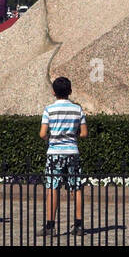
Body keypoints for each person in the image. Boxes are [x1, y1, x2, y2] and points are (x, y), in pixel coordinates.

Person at [38, 76, 88, 237]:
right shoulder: (77, 109)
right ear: (70, 91)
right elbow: (84, 133)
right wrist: (72, 136)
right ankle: (79, 225)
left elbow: (42, 133)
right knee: (76, 187)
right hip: (72, 151)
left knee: (52, 187)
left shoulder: (49, 110)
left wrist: (51, 139)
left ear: (53, 92)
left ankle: (50, 226)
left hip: (54, 153)